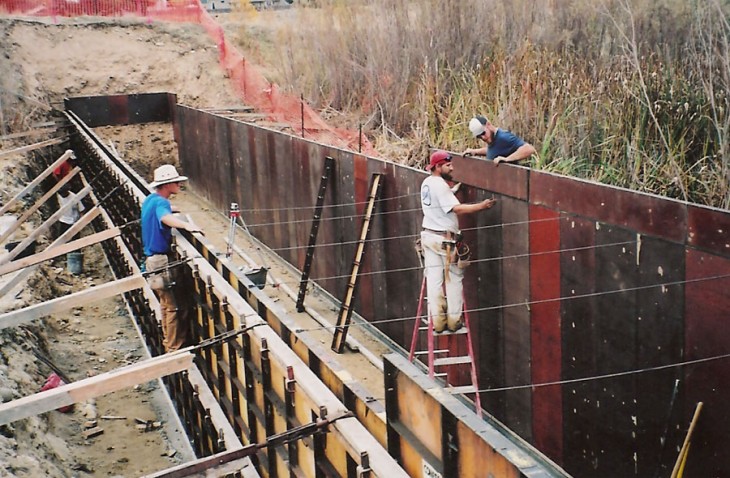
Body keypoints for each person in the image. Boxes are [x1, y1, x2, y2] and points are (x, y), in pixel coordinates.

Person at [420, 150, 496, 332]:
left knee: (434, 279)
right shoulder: (440, 186)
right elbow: (457, 209)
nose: (452, 168)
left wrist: (452, 191)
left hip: (429, 237)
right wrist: (481, 206)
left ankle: (437, 322)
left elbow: (440, 199)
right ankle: (454, 321)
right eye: (448, 165)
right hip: (444, 241)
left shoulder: (427, 182)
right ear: (438, 167)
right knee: (454, 278)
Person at [141, 164, 203, 352]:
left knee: (166, 305)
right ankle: (175, 350)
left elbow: (161, 211)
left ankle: (168, 344)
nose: (178, 184)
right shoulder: (161, 204)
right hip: (162, 262)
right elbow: (164, 218)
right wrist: (187, 226)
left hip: (152, 261)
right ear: (167, 185)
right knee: (176, 307)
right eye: (175, 182)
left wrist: (172, 209)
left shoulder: (151, 199)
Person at [463, 115, 536, 166]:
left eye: (483, 133)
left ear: (488, 125)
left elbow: (529, 149)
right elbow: (494, 149)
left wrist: (507, 159)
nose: (483, 138)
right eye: (479, 137)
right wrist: (475, 152)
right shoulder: (494, 139)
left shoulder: (503, 137)